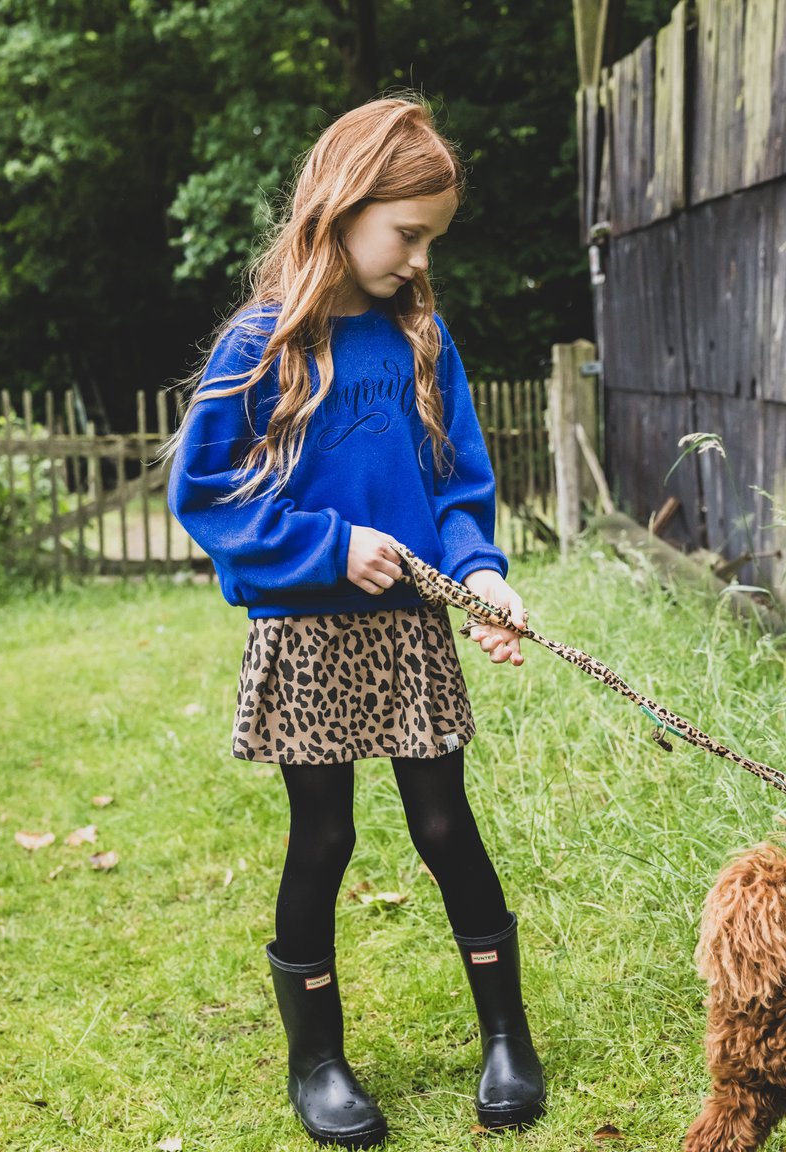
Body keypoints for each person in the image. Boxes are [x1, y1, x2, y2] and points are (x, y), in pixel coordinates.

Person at [167, 94, 545, 1150]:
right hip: (306, 636)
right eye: (407, 233)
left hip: (412, 632)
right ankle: (317, 1058)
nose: (418, 257)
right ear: (339, 208)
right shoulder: (262, 341)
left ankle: (505, 1036)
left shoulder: (421, 337)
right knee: (322, 837)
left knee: (443, 828)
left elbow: (459, 484)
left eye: (431, 237)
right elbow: (207, 493)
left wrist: (481, 577)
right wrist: (329, 546)